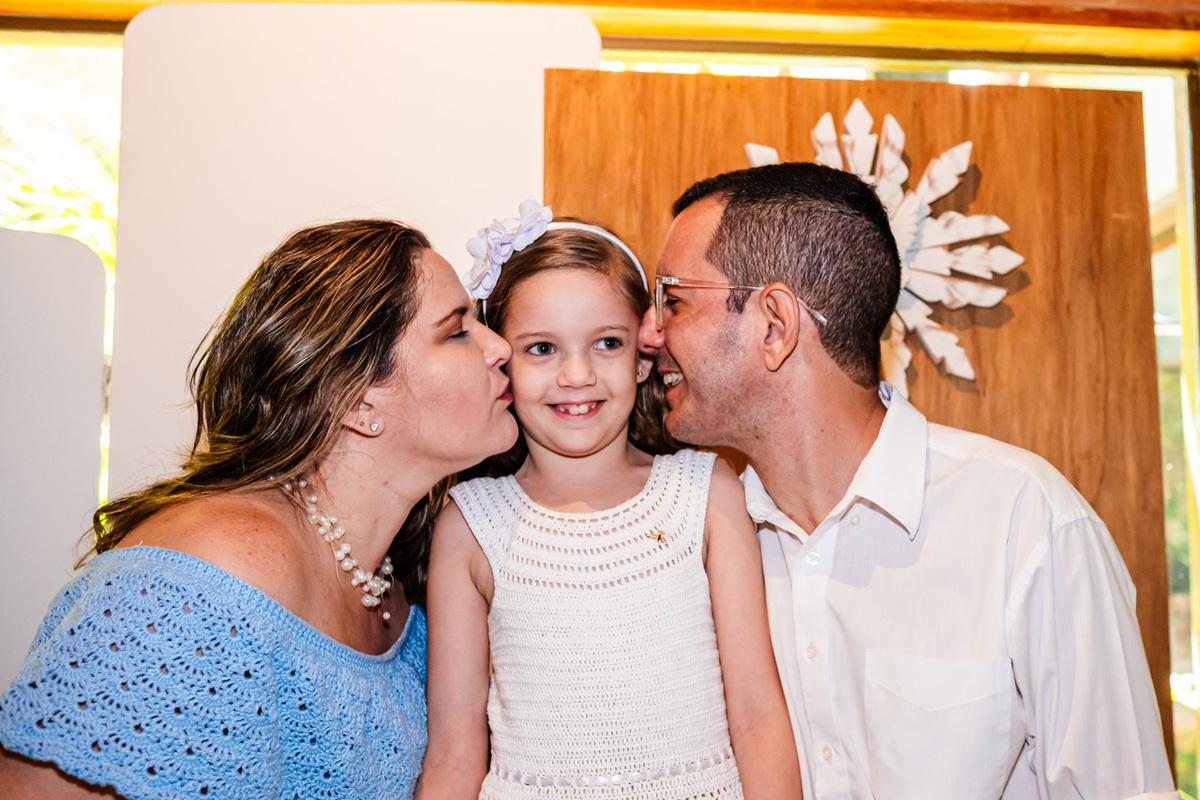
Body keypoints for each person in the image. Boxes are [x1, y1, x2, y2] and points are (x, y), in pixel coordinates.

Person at [637, 162, 1178, 799]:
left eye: (672, 300)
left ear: (774, 324)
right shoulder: (692, 542)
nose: (649, 335)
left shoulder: (1025, 524)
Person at [0, 219, 519, 800]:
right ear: (359, 399)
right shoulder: (205, 576)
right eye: (457, 332)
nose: (501, 346)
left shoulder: (407, 584)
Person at [416, 202, 801, 800]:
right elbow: (453, 754)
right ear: (502, 362)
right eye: (542, 348)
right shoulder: (469, 525)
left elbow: (758, 715)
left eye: (606, 343)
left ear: (645, 357)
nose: (576, 375)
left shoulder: (705, 492)